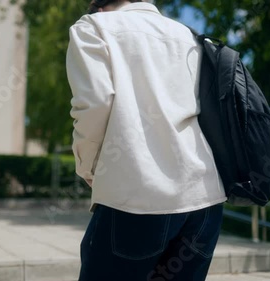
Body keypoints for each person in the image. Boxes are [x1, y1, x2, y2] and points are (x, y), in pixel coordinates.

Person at [66, 1, 226, 280]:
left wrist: (89, 168)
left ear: (99, 8)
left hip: (136, 196)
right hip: (204, 198)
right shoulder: (187, 35)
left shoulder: (92, 26)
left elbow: (95, 104)